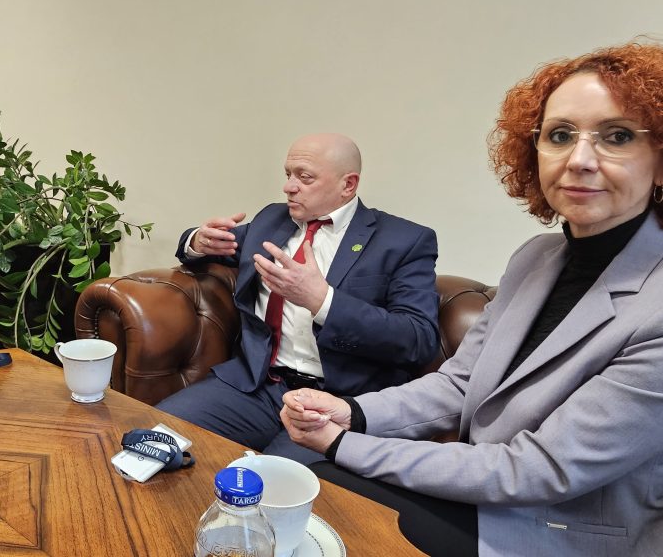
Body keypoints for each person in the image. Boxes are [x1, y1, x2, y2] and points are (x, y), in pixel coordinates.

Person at [281, 42, 663, 557]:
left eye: (617, 136)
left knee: (327, 499)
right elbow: (460, 383)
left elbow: (541, 469)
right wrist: (351, 412)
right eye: (559, 135)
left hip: (558, 531)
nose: (579, 159)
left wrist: (343, 442)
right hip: (484, 492)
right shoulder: (536, 257)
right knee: (315, 491)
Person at [156, 133, 440, 463]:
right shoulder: (272, 220)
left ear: (348, 185)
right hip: (257, 387)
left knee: (272, 484)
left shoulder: (403, 241)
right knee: (152, 438)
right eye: (288, 174)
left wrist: (323, 301)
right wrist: (197, 240)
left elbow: (418, 337)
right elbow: (212, 245)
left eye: (304, 177)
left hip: (336, 403)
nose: (289, 187)